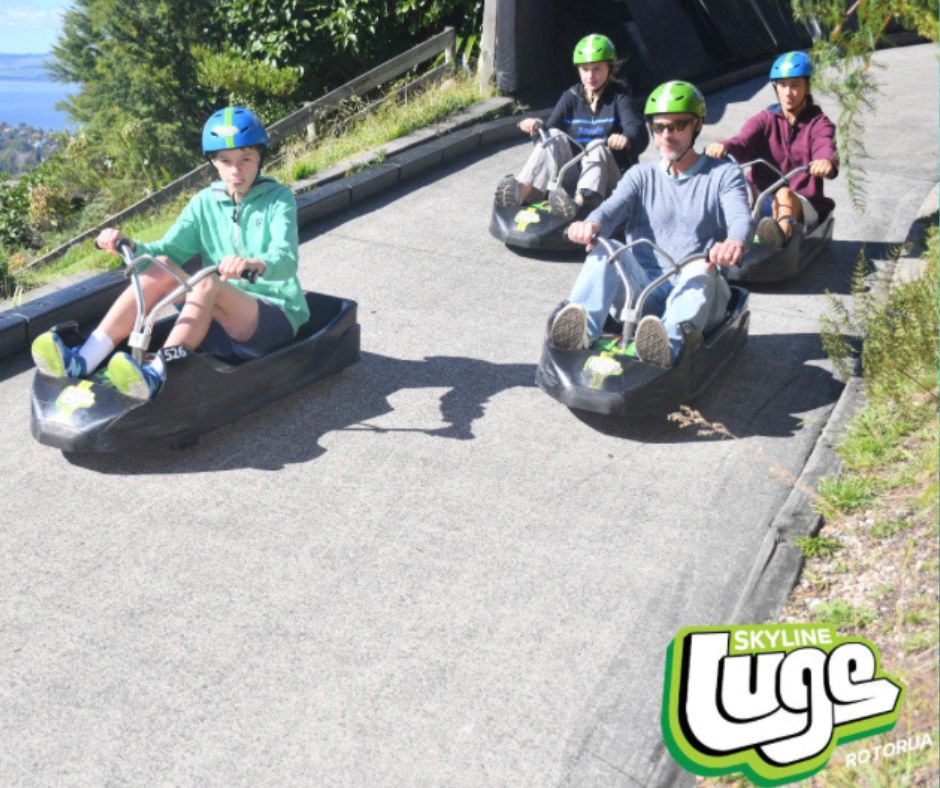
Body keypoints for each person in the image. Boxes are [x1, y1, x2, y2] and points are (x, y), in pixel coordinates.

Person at [30, 105, 310, 400]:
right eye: (225, 160)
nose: (236, 170)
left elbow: (286, 259)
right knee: (161, 264)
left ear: (260, 158)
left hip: (271, 318)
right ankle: (84, 358)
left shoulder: (279, 200)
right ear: (213, 162)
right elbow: (165, 251)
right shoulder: (205, 202)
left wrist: (255, 263)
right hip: (214, 318)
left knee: (208, 281)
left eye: (246, 159)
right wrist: (129, 245)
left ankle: (156, 374)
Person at [550, 80, 752, 368]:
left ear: (697, 125)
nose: (667, 135)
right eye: (659, 128)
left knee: (699, 266)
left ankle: (664, 345)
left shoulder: (723, 174)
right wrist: (591, 225)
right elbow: (609, 211)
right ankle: (580, 330)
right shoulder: (640, 176)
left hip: (700, 293)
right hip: (643, 292)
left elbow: (740, 217)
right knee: (607, 249)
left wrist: (734, 242)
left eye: (678, 125)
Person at [494, 33, 648, 217]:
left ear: (609, 67)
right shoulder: (572, 96)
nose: (590, 76)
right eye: (585, 69)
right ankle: (519, 192)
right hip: (575, 179)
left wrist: (625, 138)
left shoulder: (619, 97)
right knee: (554, 136)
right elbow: (547, 139)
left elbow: (637, 130)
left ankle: (582, 206)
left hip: (611, 183)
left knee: (595, 146)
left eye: (597, 69)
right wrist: (537, 128)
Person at [705, 51, 838, 246]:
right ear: (776, 87)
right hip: (762, 197)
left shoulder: (818, 123)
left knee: (784, 194)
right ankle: (716, 239)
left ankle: (779, 242)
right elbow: (742, 142)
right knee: (734, 187)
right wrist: (722, 147)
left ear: (807, 86)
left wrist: (825, 161)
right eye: (782, 85)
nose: (788, 92)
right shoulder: (765, 119)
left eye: (795, 85)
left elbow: (824, 143)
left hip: (801, 200)